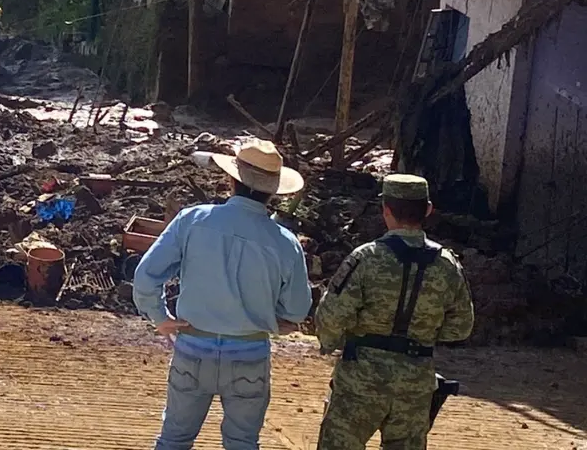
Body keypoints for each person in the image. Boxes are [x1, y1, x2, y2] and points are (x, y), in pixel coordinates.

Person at [133, 139, 312, 450]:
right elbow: (297, 311)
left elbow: (146, 276)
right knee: (242, 442)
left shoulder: (193, 219)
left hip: (193, 345)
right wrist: (273, 323)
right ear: (272, 192)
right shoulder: (285, 242)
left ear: (232, 179)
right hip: (250, 353)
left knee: (173, 440)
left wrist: (160, 317)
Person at [314, 174, 474, 450]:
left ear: (385, 210)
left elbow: (331, 317)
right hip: (415, 383)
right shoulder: (447, 265)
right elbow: (461, 327)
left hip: (360, 380)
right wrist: (425, 332)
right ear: (427, 210)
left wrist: (333, 344)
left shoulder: (365, 258)